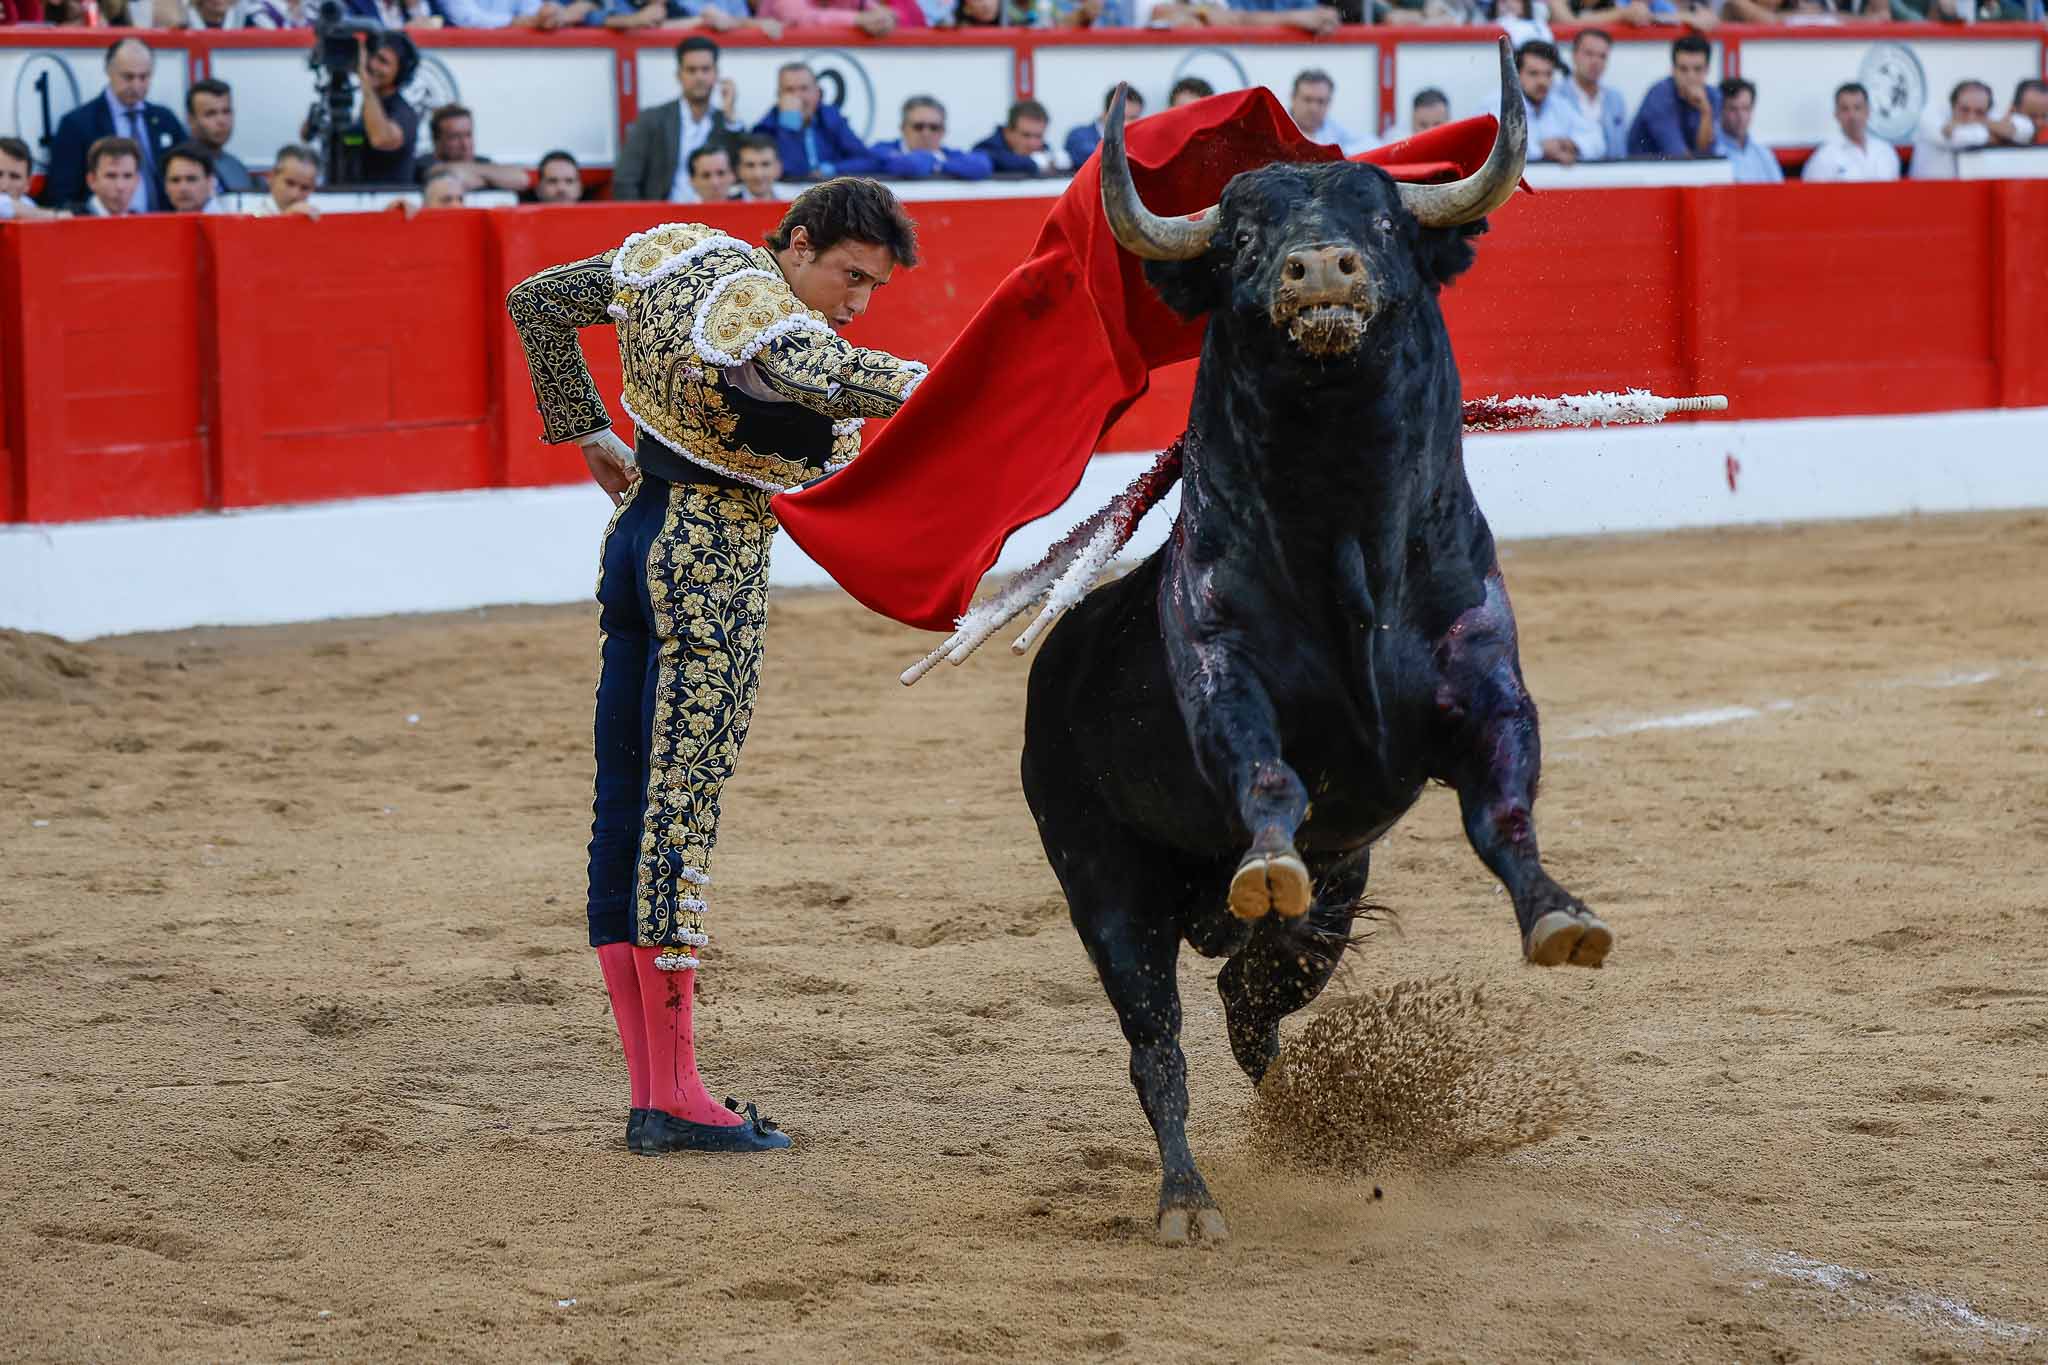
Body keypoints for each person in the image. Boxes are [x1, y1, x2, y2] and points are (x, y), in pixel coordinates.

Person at [505, 179, 931, 1155]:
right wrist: (955, 386)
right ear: (799, 242)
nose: (855, 301)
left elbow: (534, 301)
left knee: (626, 806)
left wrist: (584, 428)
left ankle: (658, 1091)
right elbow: (812, 367)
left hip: (633, 538)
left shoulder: (676, 254)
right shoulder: (758, 306)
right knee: (676, 810)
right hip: (709, 566)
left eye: (873, 287)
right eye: (847, 275)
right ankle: (676, 1094)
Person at [43, 39, 188, 213]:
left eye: (144, 77)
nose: (136, 85)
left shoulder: (165, 120)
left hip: (163, 225)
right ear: (108, 71)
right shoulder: (78, 124)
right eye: (128, 77)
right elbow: (62, 194)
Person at [614, 38, 742, 201]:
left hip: (714, 218)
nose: (699, 77)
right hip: (662, 219)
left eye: (705, 69)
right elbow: (625, 180)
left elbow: (741, 173)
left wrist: (730, 116)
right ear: (679, 75)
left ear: (716, 73)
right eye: (691, 70)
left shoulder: (725, 121)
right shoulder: (653, 119)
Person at [312, 30, 421, 186]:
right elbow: (307, 136)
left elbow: (380, 139)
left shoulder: (404, 112)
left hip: (388, 203)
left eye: (383, 61)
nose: (372, 65)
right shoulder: (360, 103)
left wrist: (365, 80)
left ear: (400, 71)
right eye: (371, 57)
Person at [752, 62, 878, 179]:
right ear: (779, 96)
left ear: (817, 92)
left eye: (804, 88)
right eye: (790, 90)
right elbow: (794, 172)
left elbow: (868, 161)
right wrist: (790, 127)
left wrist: (833, 169)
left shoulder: (831, 118)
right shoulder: (765, 129)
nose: (798, 96)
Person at [1912, 79, 2035, 180]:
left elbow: (2025, 129)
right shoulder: (1930, 116)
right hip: (1927, 195)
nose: (1971, 118)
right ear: (1953, 105)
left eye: (1979, 112)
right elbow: (1957, 137)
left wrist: (1985, 123)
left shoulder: (1987, 118)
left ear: (1988, 110)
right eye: (1965, 110)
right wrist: (1997, 135)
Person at [1625, 32, 1720, 160]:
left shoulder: (1713, 96)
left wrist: (1706, 113)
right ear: (1673, 70)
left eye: (1697, 69)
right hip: (1643, 175)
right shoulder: (1659, 97)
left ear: (1707, 70)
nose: (1690, 77)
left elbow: (1706, 154)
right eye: (1683, 69)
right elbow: (1679, 158)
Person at [1517, 40, 1601, 165]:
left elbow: (1598, 141)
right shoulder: (1496, 106)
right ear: (1516, 74)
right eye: (1533, 73)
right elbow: (1495, 152)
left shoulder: (1559, 104)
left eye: (1548, 74)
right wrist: (1541, 150)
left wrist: (1571, 144)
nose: (1542, 81)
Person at [871, 96, 994, 180]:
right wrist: (939, 163)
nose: (926, 133)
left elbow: (982, 165)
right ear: (903, 128)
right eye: (918, 127)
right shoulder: (882, 149)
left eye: (934, 127)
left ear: (943, 131)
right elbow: (910, 166)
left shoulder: (949, 154)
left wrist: (936, 164)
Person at [419, 105, 532, 194]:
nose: (465, 144)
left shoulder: (483, 162)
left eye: (468, 135)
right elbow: (458, 179)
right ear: (436, 140)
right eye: (455, 137)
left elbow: (522, 179)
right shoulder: (424, 164)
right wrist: (492, 178)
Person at [1801, 82, 1899, 182]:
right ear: (1836, 114)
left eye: (1857, 108)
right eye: (1845, 109)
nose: (1852, 116)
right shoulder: (1824, 158)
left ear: (1868, 111)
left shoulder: (1886, 152)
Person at [1564, 28, 1627, 161]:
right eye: (1589, 54)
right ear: (1574, 55)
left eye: (1602, 56)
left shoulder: (1615, 99)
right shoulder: (1556, 96)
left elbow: (1619, 150)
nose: (1596, 61)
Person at [184, 79, 255, 194]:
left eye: (226, 111)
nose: (221, 121)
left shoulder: (236, 166)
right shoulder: (179, 169)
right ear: (191, 120)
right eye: (210, 113)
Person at [1713, 78, 1780, 183]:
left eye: (1745, 108)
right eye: (1733, 109)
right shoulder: (1713, 152)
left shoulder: (1764, 154)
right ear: (1720, 110)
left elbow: (1781, 195)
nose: (1741, 116)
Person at [1288, 69, 1367, 156]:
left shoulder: (1336, 130)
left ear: (1329, 102)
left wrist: (1341, 154)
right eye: (1307, 100)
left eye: (1320, 101)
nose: (1313, 108)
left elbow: (1372, 145)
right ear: (1293, 98)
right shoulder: (1276, 128)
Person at [1065, 86, 1142, 169]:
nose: (1129, 123)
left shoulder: (1136, 141)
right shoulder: (1078, 136)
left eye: (1134, 118)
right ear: (1106, 113)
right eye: (1123, 117)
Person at [973, 99, 1052, 175]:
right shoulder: (987, 149)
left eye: (1039, 136)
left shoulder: (1044, 150)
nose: (1033, 143)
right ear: (1008, 131)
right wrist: (1034, 164)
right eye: (1026, 135)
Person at [72, 136, 143, 217]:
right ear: (92, 180)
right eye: (111, 176)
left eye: (127, 176)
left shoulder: (144, 224)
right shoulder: (69, 221)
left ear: (137, 180)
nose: (120, 186)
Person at [0, 137, 65, 222]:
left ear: (28, 183)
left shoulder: (28, 204)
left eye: (15, 177)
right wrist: (55, 215)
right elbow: (5, 205)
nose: (4, 185)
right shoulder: (34, 212)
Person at [252, 143, 323, 216]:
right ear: (271, 177)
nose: (295, 195)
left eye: (305, 188)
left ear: (313, 188)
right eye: (290, 183)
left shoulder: (317, 217)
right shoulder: (252, 216)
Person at [160, 141, 228, 212]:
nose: (183, 188)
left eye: (191, 179)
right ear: (165, 187)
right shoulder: (157, 222)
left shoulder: (229, 220)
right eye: (175, 180)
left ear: (210, 182)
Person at [734, 134, 782, 201]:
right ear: (739, 170)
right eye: (750, 165)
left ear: (778, 168)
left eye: (765, 164)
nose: (758, 174)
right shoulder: (724, 209)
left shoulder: (794, 208)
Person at [2012, 79, 2048, 144]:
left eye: (2044, 116)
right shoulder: (1997, 142)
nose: (2039, 123)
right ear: (2014, 111)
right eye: (2033, 116)